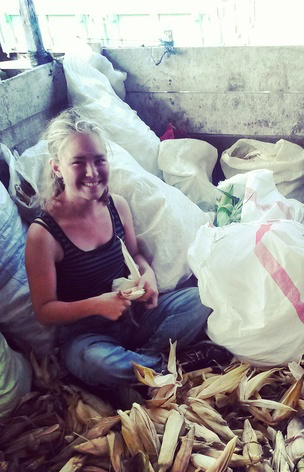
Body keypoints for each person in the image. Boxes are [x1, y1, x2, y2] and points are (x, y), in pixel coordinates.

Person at [25, 108, 230, 397]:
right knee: (94, 363)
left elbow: (134, 256)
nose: (92, 172)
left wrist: (147, 275)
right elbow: (44, 311)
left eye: (99, 160)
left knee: (204, 296)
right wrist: (98, 305)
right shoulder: (43, 234)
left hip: (134, 318)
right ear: (57, 167)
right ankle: (158, 369)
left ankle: (146, 365)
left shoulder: (116, 206)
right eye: (78, 163)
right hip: (87, 336)